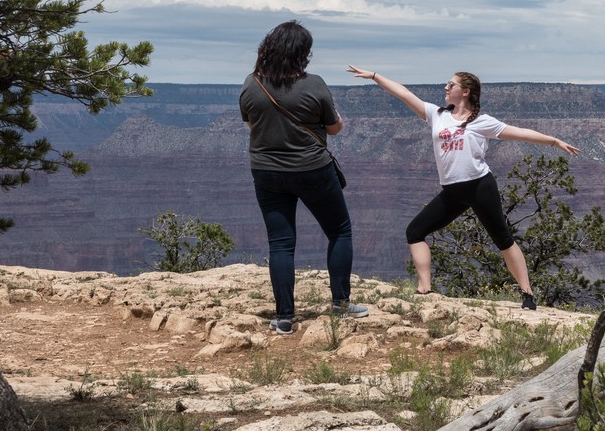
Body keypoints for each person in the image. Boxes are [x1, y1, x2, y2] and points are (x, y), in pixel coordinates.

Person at [347, 66, 580, 310]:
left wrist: (554, 141)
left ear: (466, 92)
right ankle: (424, 289)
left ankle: (527, 295)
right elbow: (404, 94)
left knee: (503, 240)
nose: (446, 88)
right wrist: (375, 76)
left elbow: (519, 134)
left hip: (480, 186)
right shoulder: (437, 114)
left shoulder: (481, 122)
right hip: (452, 191)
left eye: (451, 85)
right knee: (415, 232)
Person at [239, 21, 367, 335]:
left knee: (281, 244)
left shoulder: (252, 83)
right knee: (339, 231)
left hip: (267, 171)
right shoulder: (315, 84)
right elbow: (334, 128)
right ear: (303, 53)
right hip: (312, 170)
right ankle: (340, 304)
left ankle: (284, 317)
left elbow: (250, 126)